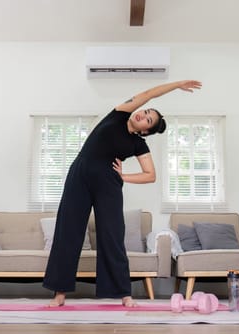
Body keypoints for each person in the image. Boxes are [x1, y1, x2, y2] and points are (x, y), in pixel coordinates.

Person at [42, 80, 202, 307]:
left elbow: (150, 174)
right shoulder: (118, 114)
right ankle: (59, 294)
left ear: (146, 130)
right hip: (80, 174)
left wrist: (124, 177)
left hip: (108, 182)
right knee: (68, 230)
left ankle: (123, 293)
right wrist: (176, 85)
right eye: (145, 112)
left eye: (148, 119)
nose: (142, 115)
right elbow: (148, 93)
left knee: (113, 234)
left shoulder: (138, 144)